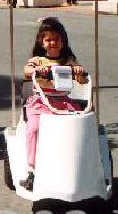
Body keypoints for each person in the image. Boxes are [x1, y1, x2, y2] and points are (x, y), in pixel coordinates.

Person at [19, 17, 87, 191]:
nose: (52, 43)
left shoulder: (68, 60)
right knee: (33, 128)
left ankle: (80, 162)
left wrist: (79, 72)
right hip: (42, 101)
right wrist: (35, 70)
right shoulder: (38, 60)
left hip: (64, 101)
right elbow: (26, 70)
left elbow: (82, 78)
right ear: (42, 42)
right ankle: (32, 168)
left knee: (80, 123)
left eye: (56, 39)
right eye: (48, 39)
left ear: (62, 42)